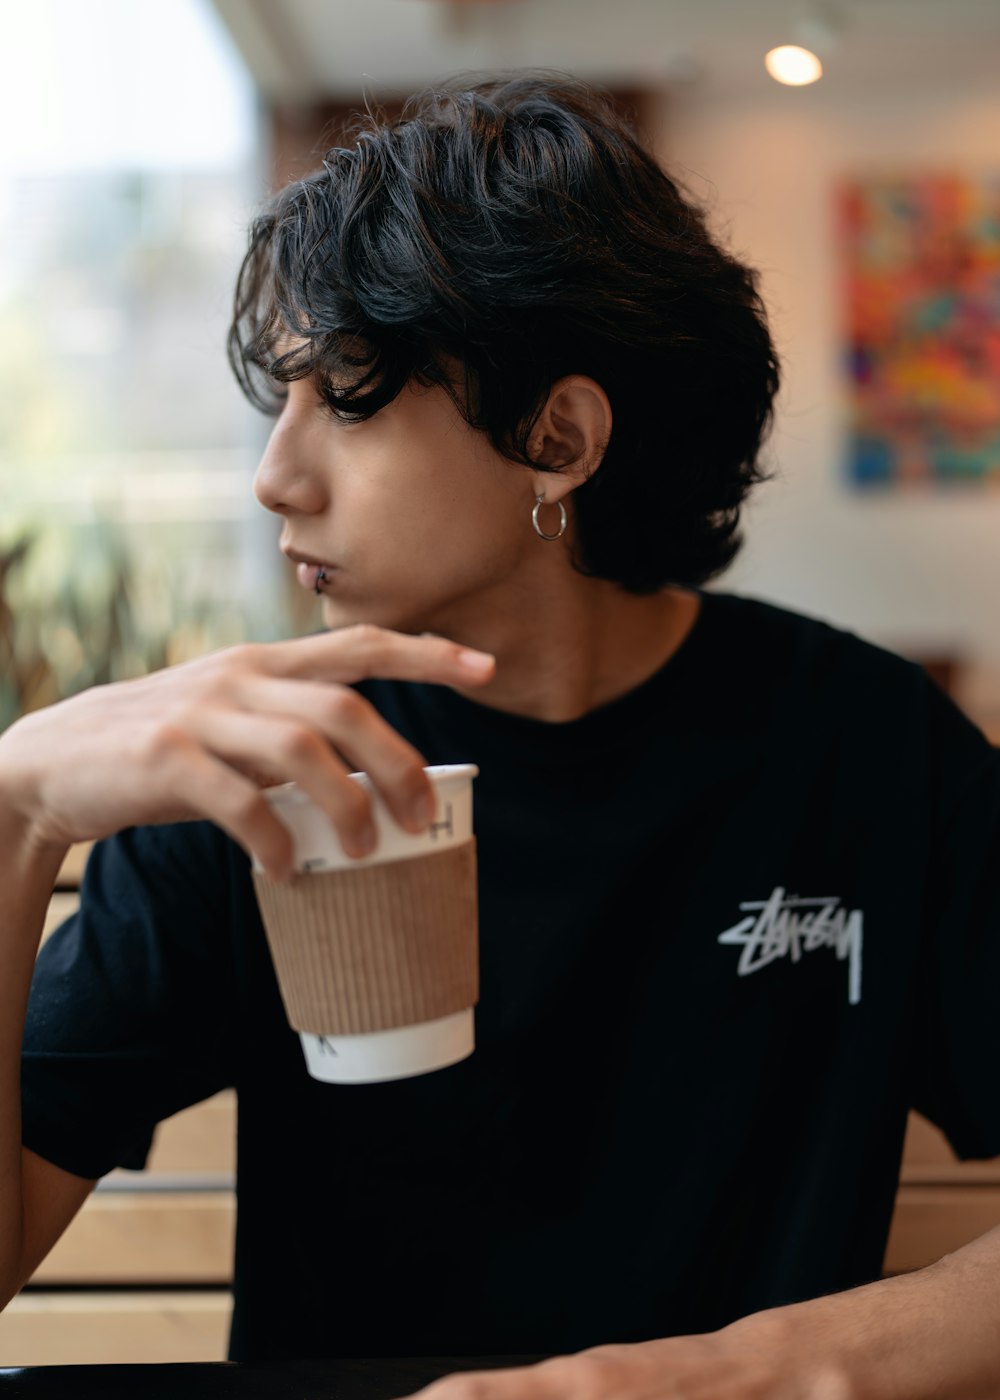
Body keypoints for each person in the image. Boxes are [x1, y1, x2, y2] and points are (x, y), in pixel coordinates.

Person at [1, 71, 998, 1399]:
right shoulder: (258, 771)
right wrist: (15, 816)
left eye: (345, 396)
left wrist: (729, 1375)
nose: (274, 474)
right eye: (275, 402)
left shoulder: (872, 754)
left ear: (558, 435)